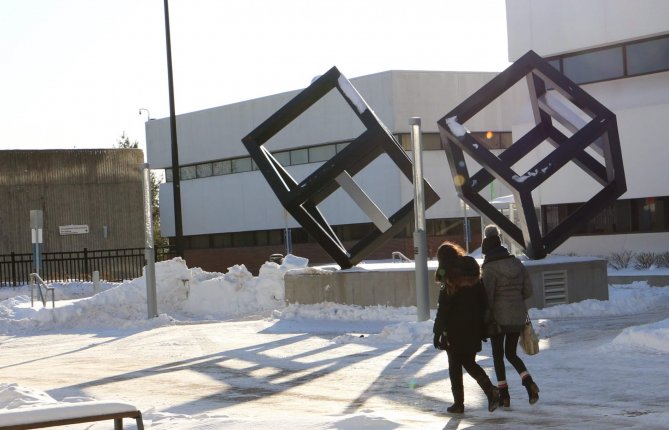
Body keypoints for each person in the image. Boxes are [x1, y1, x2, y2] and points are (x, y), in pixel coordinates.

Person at [433, 241, 499, 414]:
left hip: (454, 330)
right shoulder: (472, 270)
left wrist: (437, 332)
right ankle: (490, 391)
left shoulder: (449, 277)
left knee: (455, 366)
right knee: (469, 361)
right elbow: (483, 300)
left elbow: (444, 308)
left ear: (442, 260)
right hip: (473, 327)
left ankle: (459, 404)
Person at [480, 225, 540, 407]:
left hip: (498, 319)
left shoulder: (489, 268)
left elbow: (487, 298)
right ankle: (529, 383)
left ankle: (504, 397)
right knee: (511, 354)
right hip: (517, 316)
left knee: (498, 356)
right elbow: (528, 291)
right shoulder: (517, 264)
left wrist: (484, 320)